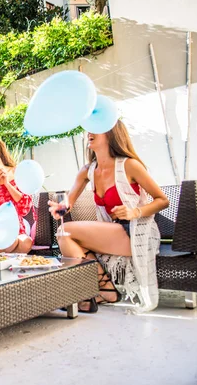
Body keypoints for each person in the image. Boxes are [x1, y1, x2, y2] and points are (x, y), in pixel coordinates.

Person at [48, 120, 169, 313]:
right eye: (89, 130)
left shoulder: (130, 165)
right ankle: (104, 291)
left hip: (135, 232)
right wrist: (60, 208)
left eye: (96, 129)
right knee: (65, 236)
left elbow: (162, 200)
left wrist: (135, 212)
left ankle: (96, 290)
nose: (89, 133)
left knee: (65, 230)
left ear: (112, 134)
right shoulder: (87, 171)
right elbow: (68, 203)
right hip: (114, 232)